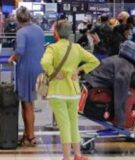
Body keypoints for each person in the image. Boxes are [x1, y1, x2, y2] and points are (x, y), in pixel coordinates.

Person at [41, 20, 100, 160]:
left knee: (64, 125)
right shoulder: (77, 48)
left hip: (57, 92)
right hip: (73, 91)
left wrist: (53, 72)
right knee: (73, 123)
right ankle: (78, 155)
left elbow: (44, 62)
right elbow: (95, 61)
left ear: (56, 33)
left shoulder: (52, 48)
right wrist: (79, 71)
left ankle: (66, 157)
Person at [7, 6, 45, 147]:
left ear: (17, 19)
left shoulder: (21, 32)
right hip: (39, 69)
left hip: (26, 70)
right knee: (30, 103)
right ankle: (27, 134)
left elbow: (20, 50)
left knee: (26, 104)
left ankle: (31, 136)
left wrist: (12, 58)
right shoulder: (39, 29)